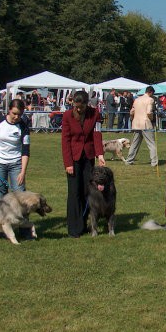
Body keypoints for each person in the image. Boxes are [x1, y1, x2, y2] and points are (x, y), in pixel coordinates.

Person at [61, 90, 106, 238]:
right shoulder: (67, 116)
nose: (78, 109)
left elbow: (97, 135)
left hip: (88, 157)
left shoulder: (95, 114)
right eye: (76, 106)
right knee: (74, 192)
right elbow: (65, 141)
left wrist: (100, 154)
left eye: (81, 107)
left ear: (87, 104)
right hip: (73, 158)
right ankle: (74, 229)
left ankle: (84, 222)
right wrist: (68, 163)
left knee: (87, 191)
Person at [0, 99, 30, 198]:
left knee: (20, 195)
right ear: (9, 110)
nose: (17, 117)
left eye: (20, 114)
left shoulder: (24, 126)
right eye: (14, 113)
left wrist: (23, 172)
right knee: (0, 196)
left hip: (16, 164)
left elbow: (25, 151)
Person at [125, 86, 158, 166]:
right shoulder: (150, 99)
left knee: (134, 144)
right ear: (150, 92)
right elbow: (149, 112)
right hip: (146, 124)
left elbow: (132, 112)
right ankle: (154, 162)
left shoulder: (137, 99)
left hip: (136, 124)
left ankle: (129, 160)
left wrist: (132, 119)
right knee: (151, 144)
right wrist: (152, 119)